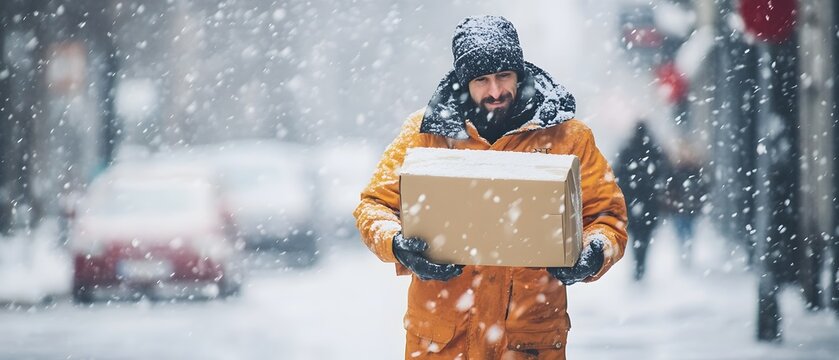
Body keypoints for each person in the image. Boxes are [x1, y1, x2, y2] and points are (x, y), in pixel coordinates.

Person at [354, 15, 627, 359]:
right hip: (443, 341)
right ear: (463, 82)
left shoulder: (568, 137)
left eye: (504, 76)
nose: (495, 91)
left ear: (520, 73)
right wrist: (397, 245)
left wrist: (594, 251)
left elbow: (607, 216)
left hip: (529, 341)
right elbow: (373, 206)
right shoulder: (425, 133)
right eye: (482, 80)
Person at [614, 121, 668, 281]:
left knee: (636, 236)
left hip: (631, 202)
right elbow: (662, 172)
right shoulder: (654, 149)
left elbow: (618, 173)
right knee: (644, 237)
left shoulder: (627, 149)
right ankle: (641, 264)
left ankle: (638, 264)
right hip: (650, 202)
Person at [664, 146, 707, 267]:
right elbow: (670, 188)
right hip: (679, 207)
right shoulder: (675, 170)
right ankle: (683, 250)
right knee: (681, 229)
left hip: (689, 207)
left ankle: (687, 251)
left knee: (688, 229)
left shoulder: (695, 170)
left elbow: (702, 188)